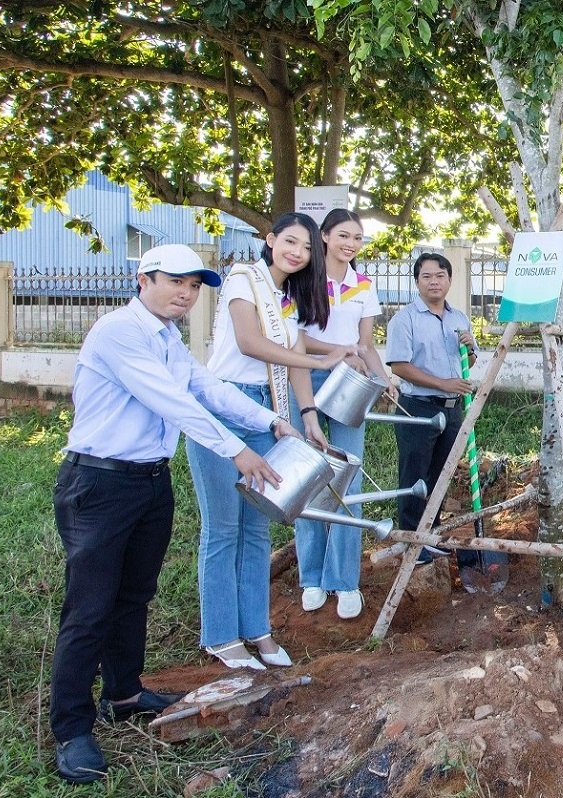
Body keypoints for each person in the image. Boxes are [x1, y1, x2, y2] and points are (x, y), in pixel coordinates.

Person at [50, 245, 293, 784]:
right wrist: (237, 449)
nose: (186, 293)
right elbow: (171, 400)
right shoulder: (119, 332)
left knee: (134, 594)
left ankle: (124, 693)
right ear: (144, 279)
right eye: (175, 282)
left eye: (194, 286)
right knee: (90, 607)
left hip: (149, 483)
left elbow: (207, 387)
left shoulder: (169, 338)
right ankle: (71, 728)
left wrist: (272, 422)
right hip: (100, 482)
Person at [187, 213, 355, 670]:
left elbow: (295, 357)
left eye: (305, 248)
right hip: (222, 407)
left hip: (267, 410)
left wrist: (309, 417)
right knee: (224, 527)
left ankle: (258, 631)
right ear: (270, 240)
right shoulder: (243, 279)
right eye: (290, 242)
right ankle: (222, 636)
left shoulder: (287, 298)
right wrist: (323, 361)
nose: (297, 252)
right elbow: (248, 342)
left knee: (257, 526)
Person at [293, 209, 394, 619]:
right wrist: (334, 354)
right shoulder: (302, 281)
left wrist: (384, 377)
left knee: (349, 476)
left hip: (351, 384)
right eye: (343, 235)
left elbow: (365, 344)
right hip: (308, 382)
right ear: (324, 236)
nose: (351, 243)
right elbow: (295, 339)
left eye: (358, 237)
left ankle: (344, 581)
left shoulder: (363, 285)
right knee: (309, 477)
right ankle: (312, 577)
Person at [384, 252, 477, 565]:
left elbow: (469, 363)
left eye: (440, 275)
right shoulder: (405, 319)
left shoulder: (459, 318)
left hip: (452, 410)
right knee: (415, 474)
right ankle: (412, 539)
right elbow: (399, 365)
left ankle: (431, 531)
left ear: (449, 280)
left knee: (441, 472)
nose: (434, 282)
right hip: (418, 407)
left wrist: (470, 348)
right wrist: (443, 384)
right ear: (417, 281)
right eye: (427, 276)